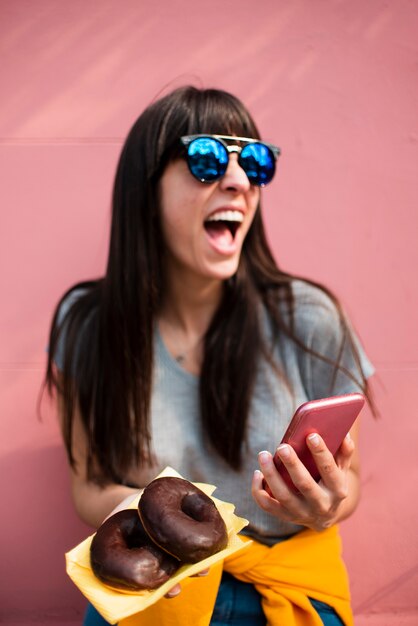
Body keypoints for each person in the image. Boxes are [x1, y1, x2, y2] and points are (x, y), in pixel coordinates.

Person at [45, 85, 374, 626]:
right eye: (206, 159)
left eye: (257, 162)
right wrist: (146, 520)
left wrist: (328, 504)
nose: (240, 182)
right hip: (152, 592)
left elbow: (350, 477)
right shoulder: (87, 323)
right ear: (145, 189)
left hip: (288, 592)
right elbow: (89, 485)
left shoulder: (310, 317)